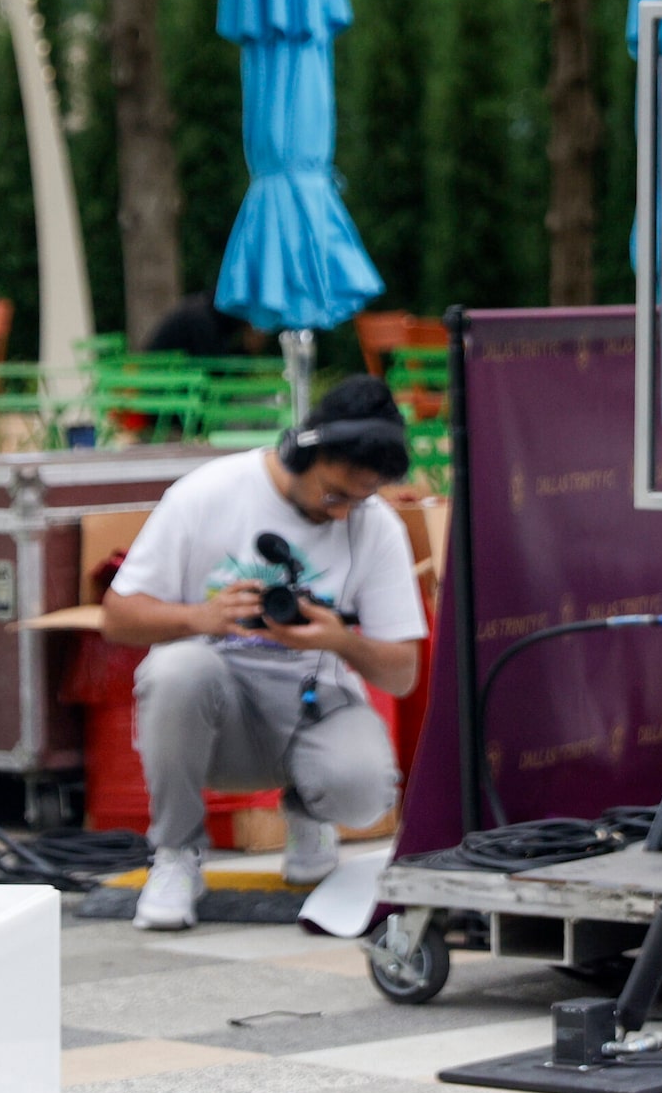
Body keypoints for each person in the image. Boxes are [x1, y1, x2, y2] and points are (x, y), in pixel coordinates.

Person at [101, 375, 427, 930]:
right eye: (334, 494)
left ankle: (310, 817)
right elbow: (117, 615)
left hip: (311, 702)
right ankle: (176, 856)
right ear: (299, 452)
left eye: (360, 498)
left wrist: (339, 639)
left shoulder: (376, 527)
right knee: (176, 667)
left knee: (366, 787)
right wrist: (198, 618)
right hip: (215, 711)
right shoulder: (208, 493)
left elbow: (402, 675)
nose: (344, 512)